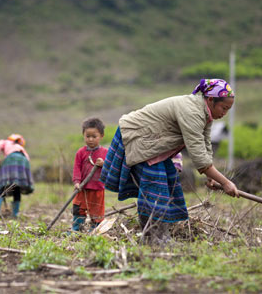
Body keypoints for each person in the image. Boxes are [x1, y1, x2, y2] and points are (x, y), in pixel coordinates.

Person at [100, 79, 239, 244]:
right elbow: (199, 158)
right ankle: (152, 238)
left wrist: (213, 177)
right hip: (139, 138)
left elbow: (205, 145)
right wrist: (225, 182)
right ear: (210, 100)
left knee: (168, 182)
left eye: (228, 109)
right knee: (156, 189)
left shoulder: (204, 113)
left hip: (155, 143)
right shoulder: (192, 111)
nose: (225, 113)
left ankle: (159, 237)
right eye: (224, 108)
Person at [71, 117, 108, 231]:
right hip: (82, 188)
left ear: (101, 136)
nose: (90, 139)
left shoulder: (106, 153)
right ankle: (76, 229)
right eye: (88, 136)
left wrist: (104, 164)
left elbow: (111, 168)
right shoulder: (81, 152)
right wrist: (77, 182)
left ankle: (94, 231)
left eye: (94, 136)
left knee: (96, 211)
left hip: (97, 188)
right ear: (83, 135)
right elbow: (77, 168)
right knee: (78, 208)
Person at [0, 133, 34, 218]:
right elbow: (27, 159)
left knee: (3, 185)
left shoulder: (5, 142)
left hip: (11, 158)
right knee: (16, 186)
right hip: (23, 161)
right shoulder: (20, 148)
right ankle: (15, 213)